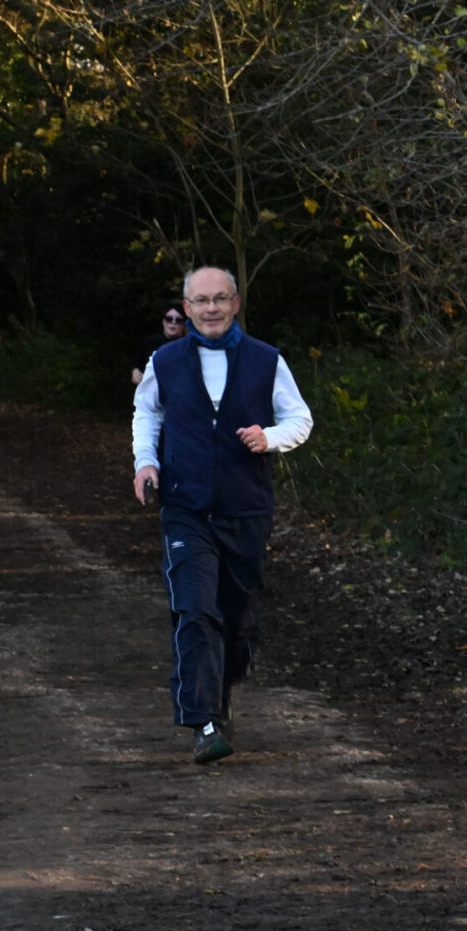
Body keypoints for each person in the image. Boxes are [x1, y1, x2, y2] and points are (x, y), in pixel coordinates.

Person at [131, 267, 314, 764]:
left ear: (235, 304)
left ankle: (222, 689)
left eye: (219, 299)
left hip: (245, 508)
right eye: (200, 300)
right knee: (194, 609)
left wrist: (269, 437)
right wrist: (145, 462)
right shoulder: (165, 361)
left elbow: (300, 418)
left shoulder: (266, 359)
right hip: (185, 506)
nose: (210, 308)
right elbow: (147, 412)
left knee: (238, 621)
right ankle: (203, 721)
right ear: (187, 308)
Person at [131, 302, 188, 385]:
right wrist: (135, 372)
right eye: (169, 319)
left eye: (178, 320)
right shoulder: (149, 342)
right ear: (163, 321)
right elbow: (137, 365)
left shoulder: (188, 346)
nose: (173, 323)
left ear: (183, 325)